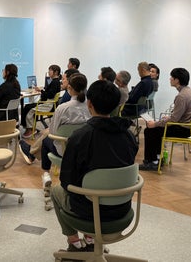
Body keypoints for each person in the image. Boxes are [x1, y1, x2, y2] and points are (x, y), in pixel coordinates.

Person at [50, 80, 138, 253]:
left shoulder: (80, 137)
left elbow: (66, 181)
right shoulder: (129, 136)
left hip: (88, 212)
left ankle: (74, 242)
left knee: (56, 191)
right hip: (122, 209)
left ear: (89, 103)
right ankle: (90, 239)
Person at [140, 68, 191, 171]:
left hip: (184, 130)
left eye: (171, 77)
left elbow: (174, 119)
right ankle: (158, 159)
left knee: (150, 130)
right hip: (190, 128)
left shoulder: (181, 96)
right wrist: (167, 119)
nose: (170, 79)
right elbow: (177, 116)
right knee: (156, 130)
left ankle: (152, 162)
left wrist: (155, 124)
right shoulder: (189, 91)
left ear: (177, 80)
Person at [21, 64, 61, 136]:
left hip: (48, 105)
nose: (49, 72)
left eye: (50, 70)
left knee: (28, 109)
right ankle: (30, 128)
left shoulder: (55, 82)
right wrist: (42, 90)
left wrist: (41, 91)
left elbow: (50, 95)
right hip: (49, 103)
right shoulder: (56, 81)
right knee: (27, 106)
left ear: (56, 72)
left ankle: (30, 129)